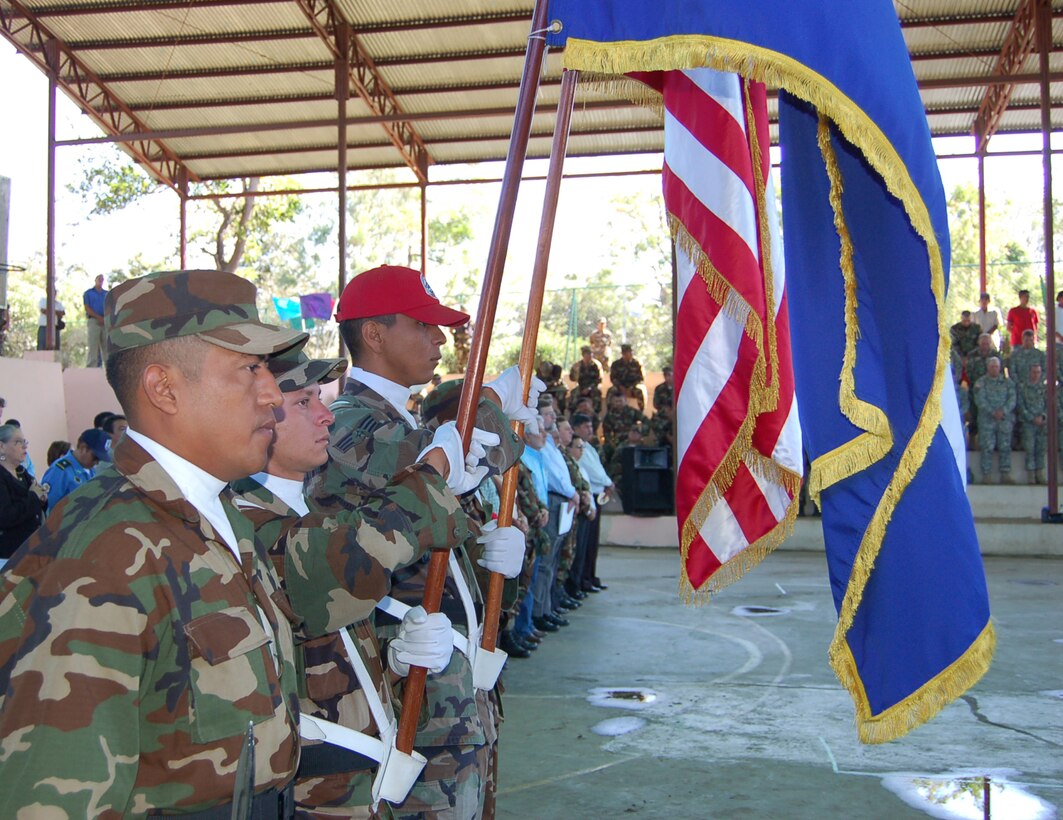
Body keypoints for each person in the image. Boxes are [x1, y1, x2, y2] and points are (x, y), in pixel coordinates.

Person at [306, 264, 537, 820]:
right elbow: (463, 454)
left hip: (451, 699)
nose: (440, 339)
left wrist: (495, 550)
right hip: (410, 700)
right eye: (424, 325)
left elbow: (454, 495)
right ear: (376, 335)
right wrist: (488, 406)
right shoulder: (348, 423)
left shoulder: (397, 418)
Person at [232, 348, 473, 817]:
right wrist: (436, 467)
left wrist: (394, 662)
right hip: (314, 801)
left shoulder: (307, 512)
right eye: (304, 403)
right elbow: (351, 559)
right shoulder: (247, 526)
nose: (326, 416)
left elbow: (320, 666)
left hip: (357, 790)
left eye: (318, 399)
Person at [570, 412, 612, 593]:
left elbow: (599, 469)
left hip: (597, 495)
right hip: (590, 496)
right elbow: (595, 473)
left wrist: (607, 483)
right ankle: (582, 580)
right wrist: (609, 482)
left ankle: (590, 576)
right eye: (586, 426)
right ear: (576, 429)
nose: (590, 429)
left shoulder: (589, 447)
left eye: (590, 426)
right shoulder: (578, 448)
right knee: (583, 545)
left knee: (592, 543)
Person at [0, 423, 48, 567]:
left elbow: (34, 504)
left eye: (24, 441)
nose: (24, 446)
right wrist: (34, 497)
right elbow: (5, 516)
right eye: (18, 442)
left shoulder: (22, 472)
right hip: (9, 554)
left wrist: (42, 499)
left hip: (32, 548)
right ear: (1, 447)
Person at [973, 356, 1016, 484]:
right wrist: (993, 412)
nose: (994, 369)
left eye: (996, 367)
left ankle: (1006, 474)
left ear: (1000, 368)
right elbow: (979, 400)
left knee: (1005, 447)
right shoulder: (981, 383)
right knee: (987, 447)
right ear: (987, 368)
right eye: (992, 367)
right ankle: (987, 475)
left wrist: (1003, 411)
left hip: (1004, 420)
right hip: (987, 421)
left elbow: (1012, 399)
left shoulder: (1008, 383)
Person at [40, 427, 109, 507]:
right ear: (83, 448)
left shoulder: (90, 470)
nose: (97, 463)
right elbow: (48, 506)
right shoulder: (60, 470)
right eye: (95, 458)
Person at [1016, 363, 1049, 485]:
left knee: (1041, 448)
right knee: (1029, 448)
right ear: (1029, 373)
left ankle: (1040, 473)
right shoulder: (1023, 388)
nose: (1036, 375)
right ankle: (1031, 475)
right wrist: (1031, 418)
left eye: (1038, 372)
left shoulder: (1045, 388)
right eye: (1034, 372)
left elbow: (1049, 403)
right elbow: (1020, 405)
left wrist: (1043, 417)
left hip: (1042, 424)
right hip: (1028, 423)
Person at [609, 343, 646, 410]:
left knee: (640, 392)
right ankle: (610, 413)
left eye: (630, 352)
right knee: (611, 391)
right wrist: (620, 387)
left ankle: (641, 413)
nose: (630, 354)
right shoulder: (616, 364)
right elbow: (613, 378)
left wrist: (631, 388)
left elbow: (640, 378)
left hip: (632, 387)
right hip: (620, 387)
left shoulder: (637, 363)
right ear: (623, 354)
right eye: (627, 352)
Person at [84, 273, 108, 367]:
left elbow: (110, 307)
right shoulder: (88, 293)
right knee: (93, 345)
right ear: (95, 280)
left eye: (102, 279)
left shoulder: (106, 294)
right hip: (93, 320)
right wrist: (98, 318)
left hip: (105, 321)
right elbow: (87, 308)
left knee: (106, 346)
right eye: (99, 279)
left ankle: (109, 367)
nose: (100, 281)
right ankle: (91, 367)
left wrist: (105, 318)